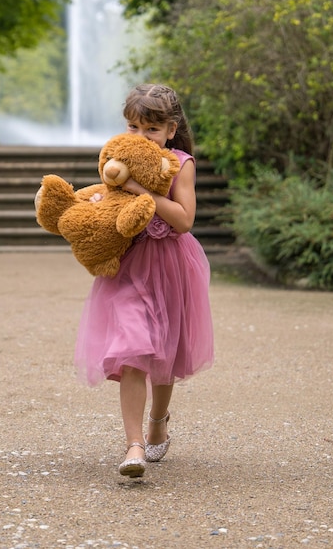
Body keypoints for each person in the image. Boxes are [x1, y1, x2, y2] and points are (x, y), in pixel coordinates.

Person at [74, 83, 214, 478]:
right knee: (133, 348)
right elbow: (106, 198)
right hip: (128, 267)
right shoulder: (119, 158)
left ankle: (158, 419)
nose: (140, 137)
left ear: (170, 130)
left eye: (151, 129)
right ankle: (134, 445)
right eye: (133, 127)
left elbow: (184, 220)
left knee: (164, 352)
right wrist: (101, 203)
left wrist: (140, 190)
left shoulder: (181, 163)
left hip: (170, 264)